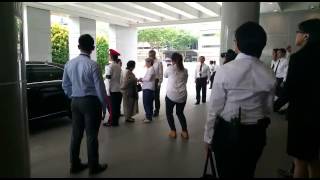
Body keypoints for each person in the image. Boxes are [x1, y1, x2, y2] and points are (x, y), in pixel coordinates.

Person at [204, 22, 276, 178]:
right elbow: (268, 108)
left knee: (226, 172)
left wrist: (208, 137)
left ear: (238, 44)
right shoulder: (268, 72)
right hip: (256, 134)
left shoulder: (225, 70)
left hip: (227, 133)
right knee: (248, 171)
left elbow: (214, 109)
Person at [274, 18, 320, 178]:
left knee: (300, 160)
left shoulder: (300, 58)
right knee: (314, 159)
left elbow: (289, 91)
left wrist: (273, 106)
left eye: (298, 32)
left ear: (306, 35)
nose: (296, 36)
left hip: (302, 116)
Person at [62, 34, 108, 175]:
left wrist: (73, 96)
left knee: (76, 135)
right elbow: (100, 88)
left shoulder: (69, 64)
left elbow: (65, 85)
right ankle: (93, 167)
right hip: (91, 103)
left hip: (75, 102)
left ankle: (74, 165)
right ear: (92, 48)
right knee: (91, 135)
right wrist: (104, 106)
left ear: (78, 47)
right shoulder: (93, 65)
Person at [164, 52, 189, 139]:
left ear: (172, 60)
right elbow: (185, 81)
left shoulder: (170, 68)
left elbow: (165, 76)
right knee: (180, 113)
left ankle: (173, 131)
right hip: (182, 96)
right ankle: (185, 132)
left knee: (169, 113)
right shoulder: (185, 70)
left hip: (171, 95)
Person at [103, 49, 122, 127]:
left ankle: (111, 122)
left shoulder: (109, 66)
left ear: (111, 56)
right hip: (118, 89)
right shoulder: (118, 66)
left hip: (112, 90)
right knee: (117, 107)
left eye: (109, 55)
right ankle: (115, 121)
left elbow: (108, 80)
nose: (108, 57)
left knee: (111, 107)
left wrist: (107, 91)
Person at [138, 57, 156, 123]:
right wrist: (142, 79)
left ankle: (148, 117)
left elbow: (148, 79)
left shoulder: (151, 69)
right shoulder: (150, 69)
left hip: (148, 88)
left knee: (146, 103)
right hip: (149, 88)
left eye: (146, 62)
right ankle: (149, 116)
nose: (145, 63)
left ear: (150, 62)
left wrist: (141, 79)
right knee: (150, 103)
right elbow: (148, 78)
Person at [149, 50, 163, 117]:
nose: (150, 57)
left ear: (154, 55)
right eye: (149, 55)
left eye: (151, 55)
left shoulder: (159, 62)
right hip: (150, 81)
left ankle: (156, 110)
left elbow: (161, 73)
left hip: (156, 81)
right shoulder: (148, 62)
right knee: (150, 97)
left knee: (156, 97)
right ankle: (150, 110)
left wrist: (160, 83)